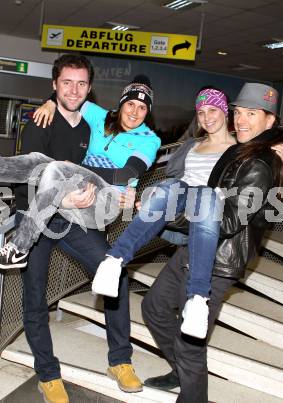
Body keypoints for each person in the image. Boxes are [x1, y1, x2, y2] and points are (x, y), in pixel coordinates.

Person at [0, 54, 160, 402]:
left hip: (80, 214)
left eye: (81, 84)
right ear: (55, 85)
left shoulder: (96, 123)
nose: (73, 90)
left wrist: (106, 191)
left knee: (113, 276)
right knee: (34, 297)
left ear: (90, 90)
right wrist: (61, 195)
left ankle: (120, 360)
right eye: (66, 83)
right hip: (38, 214)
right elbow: (28, 180)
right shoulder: (45, 121)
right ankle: (47, 373)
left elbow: (121, 174)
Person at [139, 83, 283, 402]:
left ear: (270, 120)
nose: (243, 120)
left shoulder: (261, 162)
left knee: (189, 340)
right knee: (154, 307)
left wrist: (165, 214)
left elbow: (229, 219)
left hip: (220, 260)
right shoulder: (240, 149)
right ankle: (181, 371)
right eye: (239, 113)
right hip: (196, 247)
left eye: (252, 114)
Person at [0, 74, 160, 271]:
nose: (134, 112)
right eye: (131, 104)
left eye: (142, 108)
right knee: (39, 160)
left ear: (148, 111)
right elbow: (69, 97)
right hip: (78, 188)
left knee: (56, 167)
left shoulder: (150, 139)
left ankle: (19, 247)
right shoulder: (100, 116)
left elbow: (126, 175)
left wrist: (74, 168)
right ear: (122, 103)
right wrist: (49, 102)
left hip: (107, 200)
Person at [92, 88, 236, 339]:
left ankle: (198, 299)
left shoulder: (239, 148)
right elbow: (172, 177)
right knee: (167, 188)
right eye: (201, 112)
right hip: (181, 194)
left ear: (224, 112)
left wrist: (280, 153)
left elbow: (282, 173)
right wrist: (150, 203)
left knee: (207, 198)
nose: (207, 117)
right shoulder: (193, 144)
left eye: (212, 110)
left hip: (209, 204)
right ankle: (114, 261)